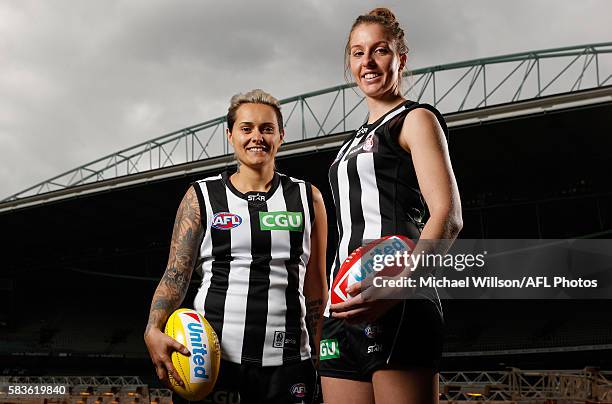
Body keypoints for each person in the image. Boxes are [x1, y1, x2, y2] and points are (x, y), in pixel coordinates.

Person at [144, 89, 328, 403]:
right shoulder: (201, 197)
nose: (257, 136)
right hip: (212, 363)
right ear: (230, 135)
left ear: (281, 136)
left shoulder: (308, 198)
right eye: (247, 128)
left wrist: (322, 357)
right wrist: (152, 329)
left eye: (267, 128)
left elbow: (316, 288)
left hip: (288, 364)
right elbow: (176, 275)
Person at [319, 8, 463, 404]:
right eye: (357, 52)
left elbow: (448, 217)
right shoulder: (350, 140)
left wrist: (397, 288)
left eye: (379, 50)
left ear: (401, 58)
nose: (367, 62)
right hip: (344, 307)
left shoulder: (415, 118)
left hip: (397, 301)